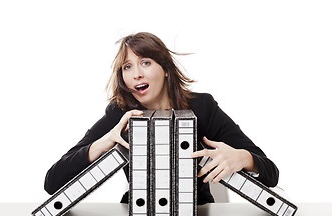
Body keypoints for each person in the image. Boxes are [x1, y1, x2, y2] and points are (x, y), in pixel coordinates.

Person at [44, 32, 279, 205]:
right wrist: (103, 142)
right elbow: (52, 183)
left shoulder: (202, 107)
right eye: (127, 66)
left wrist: (244, 158)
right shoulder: (120, 114)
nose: (136, 74)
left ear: (165, 69)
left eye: (145, 62)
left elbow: (271, 173)